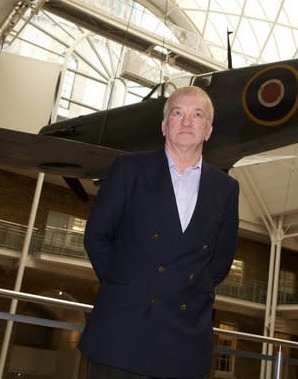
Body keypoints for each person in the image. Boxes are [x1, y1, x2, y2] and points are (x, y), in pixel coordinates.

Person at [79, 86, 240, 379]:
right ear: (164, 126)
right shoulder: (129, 169)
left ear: (208, 130)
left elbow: (219, 263)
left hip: (184, 343)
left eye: (197, 114)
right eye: (177, 113)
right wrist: (124, 284)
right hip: (120, 335)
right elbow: (97, 236)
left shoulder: (226, 189)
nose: (187, 121)